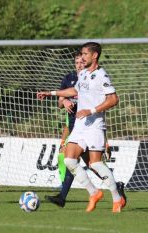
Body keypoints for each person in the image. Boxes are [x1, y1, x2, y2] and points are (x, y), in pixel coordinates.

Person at [38, 42, 126, 213]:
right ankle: (94, 193)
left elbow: (114, 100)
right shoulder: (84, 74)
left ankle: (117, 198)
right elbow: (74, 91)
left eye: (85, 54)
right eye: (82, 54)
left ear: (94, 56)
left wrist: (90, 110)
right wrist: (51, 93)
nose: (82, 57)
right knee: (69, 160)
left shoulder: (102, 75)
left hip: (94, 126)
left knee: (96, 164)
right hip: (80, 126)